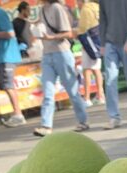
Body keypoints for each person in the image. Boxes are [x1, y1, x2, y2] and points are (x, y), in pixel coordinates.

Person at [35, 0, 91, 135]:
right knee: (47, 91)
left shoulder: (57, 8)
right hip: (47, 54)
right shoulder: (42, 10)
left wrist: (50, 37)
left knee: (72, 90)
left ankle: (83, 121)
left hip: (61, 52)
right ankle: (46, 126)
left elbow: (69, 33)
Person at [99, 0, 127, 128]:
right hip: (110, 42)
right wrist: (102, 43)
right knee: (109, 80)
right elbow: (102, 20)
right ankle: (114, 117)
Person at [76, 0, 105, 105]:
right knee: (97, 70)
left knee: (87, 70)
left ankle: (87, 98)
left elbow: (82, 30)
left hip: (89, 44)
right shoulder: (97, 6)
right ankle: (100, 95)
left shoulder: (85, 9)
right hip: (99, 42)